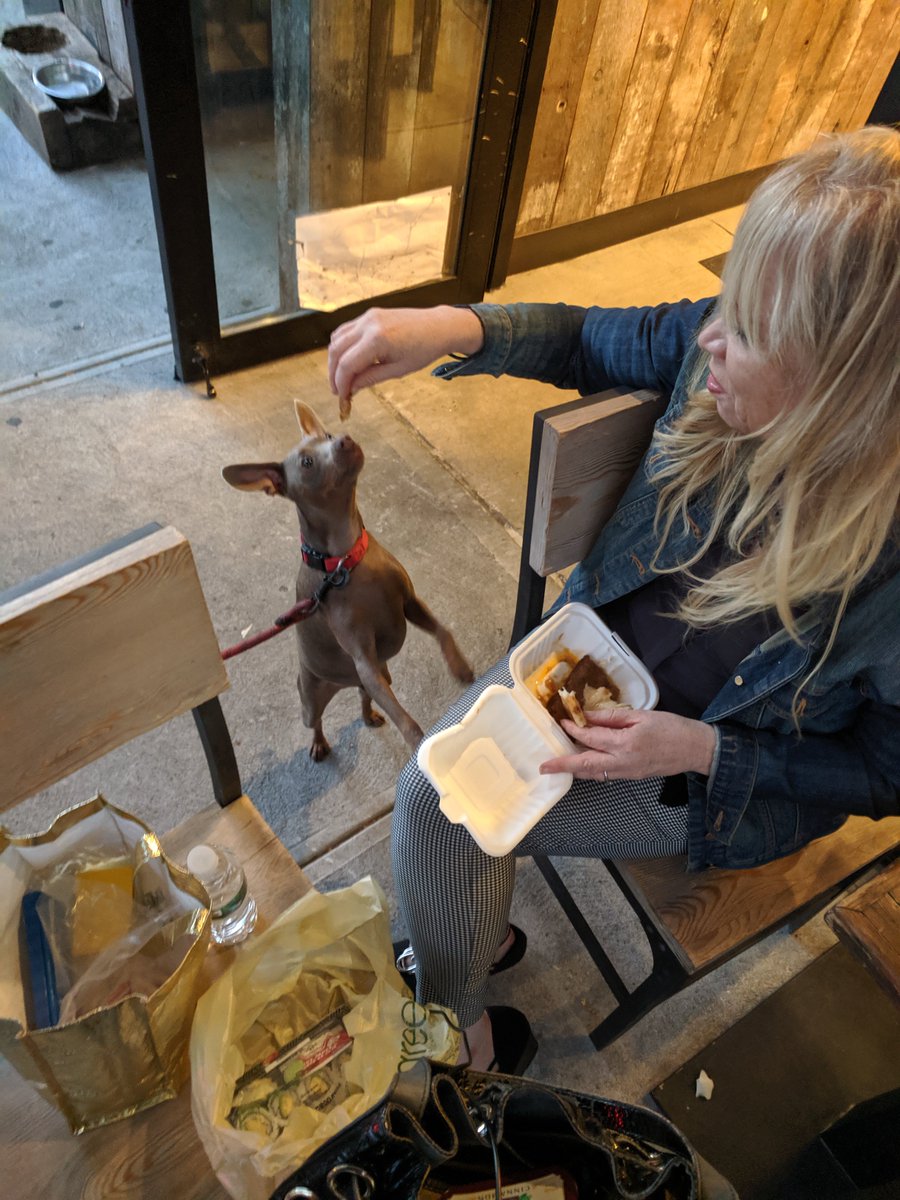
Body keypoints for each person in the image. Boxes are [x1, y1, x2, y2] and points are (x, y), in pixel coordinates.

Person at [327, 126, 900, 1072]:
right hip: (585, 661)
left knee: (440, 806)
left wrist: (701, 748)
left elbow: (885, 769)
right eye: (729, 299)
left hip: (701, 766)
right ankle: (468, 945)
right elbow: (598, 336)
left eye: (750, 330)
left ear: (844, 389)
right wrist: (451, 327)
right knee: (451, 801)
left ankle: (462, 1039)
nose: (709, 337)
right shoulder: (717, 358)